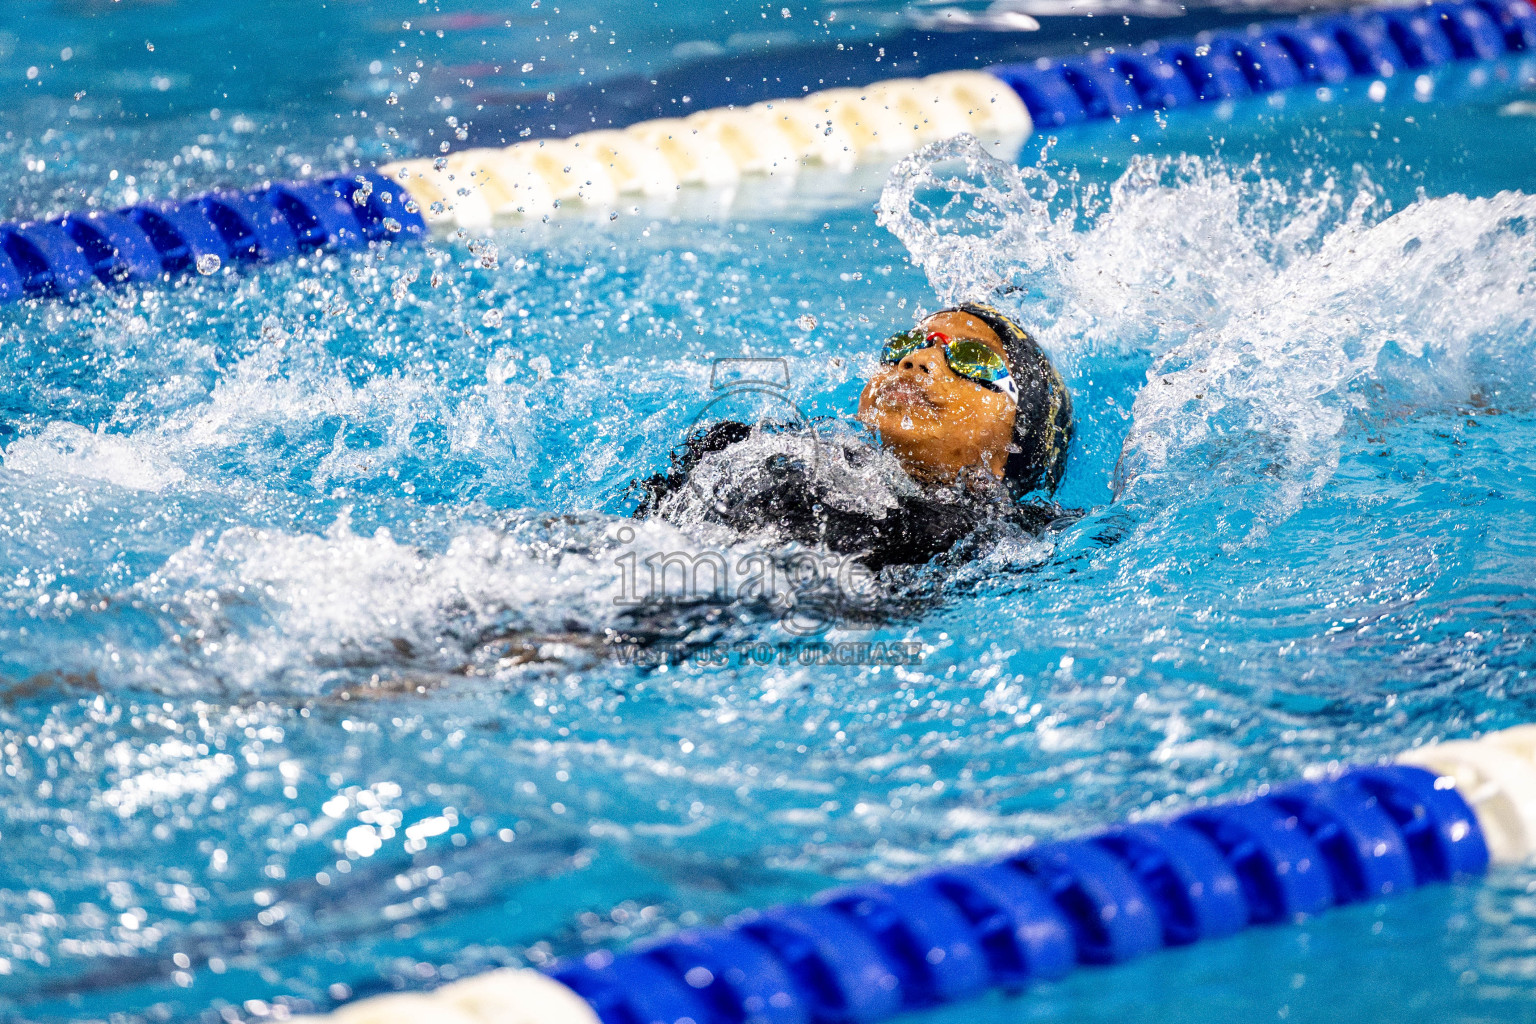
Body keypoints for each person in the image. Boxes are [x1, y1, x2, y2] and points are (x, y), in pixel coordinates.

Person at [631, 302, 1074, 571]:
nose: (916, 359)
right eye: (904, 345)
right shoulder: (794, 447)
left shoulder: (1000, 541)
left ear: (1018, 436)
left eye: (971, 358)